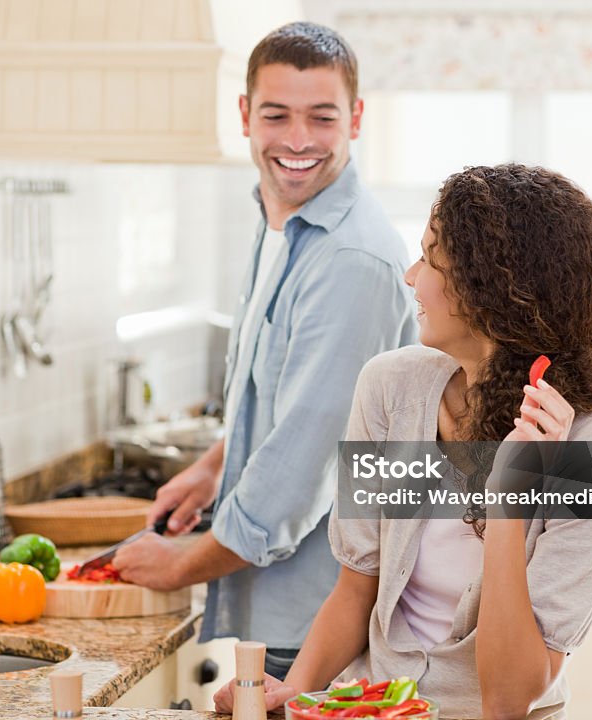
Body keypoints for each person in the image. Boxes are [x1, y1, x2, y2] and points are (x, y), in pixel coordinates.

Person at [214, 163, 592, 718]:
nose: (410, 276)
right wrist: (293, 693)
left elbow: (510, 697)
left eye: (430, 258)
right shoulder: (391, 388)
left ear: (490, 289)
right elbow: (356, 592)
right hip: (373, 708)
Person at [113, 22, 414, 679]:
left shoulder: (349, 260)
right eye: (277, 114)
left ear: (356, 119)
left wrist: (181, 565)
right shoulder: (284, 222)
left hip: (323, 623)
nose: (298, 140)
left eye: (322, 117)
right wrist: (215, 468)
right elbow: (277, 393)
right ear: (246, 115)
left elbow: (302, 464)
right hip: (290, 608)